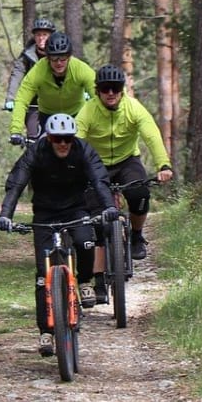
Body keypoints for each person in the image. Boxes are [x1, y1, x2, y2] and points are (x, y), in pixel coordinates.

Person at [0, 113, 117, 356]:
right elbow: (17, 182)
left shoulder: (83, 150)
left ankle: (83, 281)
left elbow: (99, 180)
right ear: (49, 138)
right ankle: (46, 333)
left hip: (76, 208)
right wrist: (5, 214)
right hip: (45, 214)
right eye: (57, 139)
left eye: (67, 139)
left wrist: (109, 207)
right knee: (43, 275)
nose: (63, 143)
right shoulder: (37, 152)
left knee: (85, 242)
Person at [76, 65, 173, 277]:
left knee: (139, 195)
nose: (110, 93)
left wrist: (163, 165)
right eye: (105, 88)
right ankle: (99, 277)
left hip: (127, 161)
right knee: (97, 216)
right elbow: (77, 142)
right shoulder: (88, 111)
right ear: (97, 90)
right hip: (96, 163)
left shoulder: (134, 108)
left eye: (115, 88)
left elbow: (151, 135)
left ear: (122, 89)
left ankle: (137, 235)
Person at [8, 31, 96, 143]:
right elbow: (22, 100)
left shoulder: (80, 69)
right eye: (54, 58)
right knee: (39, 150)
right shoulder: (39, 70)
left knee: (83, 150)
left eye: (63, 58)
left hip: (77, 115)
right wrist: (16, 130)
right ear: (47, 58)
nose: (59, 63)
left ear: (69, 57)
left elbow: (97, 97)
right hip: (47, 116)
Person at [2, 16, 57, 138]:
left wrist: (82, 92)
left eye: (45, 34)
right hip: (34, 104)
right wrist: (10, 99)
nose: (41, 38)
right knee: (33, 139)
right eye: (38, 35)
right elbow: (17, 75)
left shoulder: (60, 53)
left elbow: (74, 71)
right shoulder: (27, 56)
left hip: (57, 101)